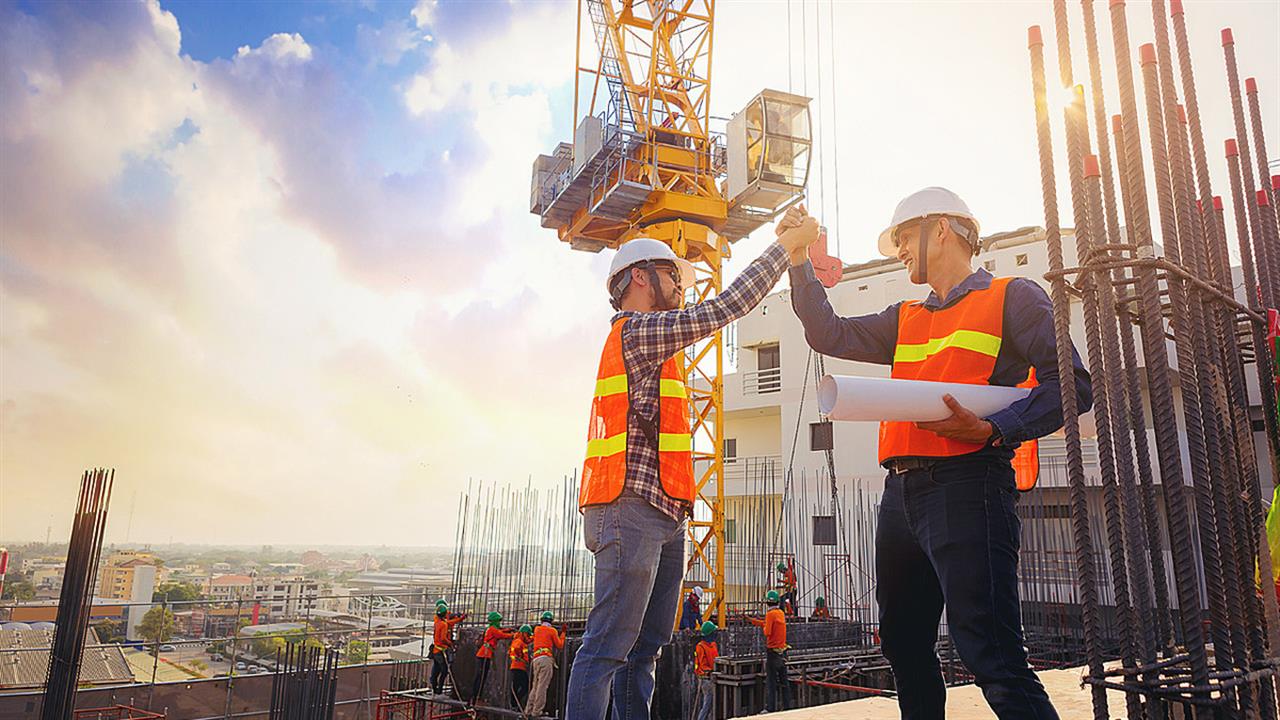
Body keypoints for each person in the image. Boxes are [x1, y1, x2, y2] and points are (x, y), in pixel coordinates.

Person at [784, 187, 1090, 719]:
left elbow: (1072, 384)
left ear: (941, 230)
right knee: (903, 644)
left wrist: (994, 428)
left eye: (904, 238)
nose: (899, 251)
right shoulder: (905, 317)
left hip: (970, 485)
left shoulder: (1013, 297)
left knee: (990, 652)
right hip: (900, 495)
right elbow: (825, 332)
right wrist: (797, 262)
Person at [566, 217, 821, 720]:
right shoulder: (635, 333)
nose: (682, 286)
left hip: (665, 512)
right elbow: (724, 309)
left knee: (645, 649)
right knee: (606, 648)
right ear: (640, 277)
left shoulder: (659, 350)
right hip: (628, 507)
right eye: (673, 276)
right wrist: (783, 248)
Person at [747, 590, 791, 712]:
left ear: (767, 602)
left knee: (771, 682)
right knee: (784, 682)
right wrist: (753, 621)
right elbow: (767, 624)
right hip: (782, 652)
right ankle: (787, 707)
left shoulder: (770, 614)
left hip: (772, 653)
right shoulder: (780, 613)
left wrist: (764, 625)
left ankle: (770, 708)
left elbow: (767, 632)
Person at [527, 611, 566, 717]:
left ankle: (528, 710)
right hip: (545, 659)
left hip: (536, 659)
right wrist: (563, 634)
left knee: (535, 686)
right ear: (551, 621)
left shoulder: (537, 629)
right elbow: (560, 645)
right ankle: (536, 712)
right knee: (542, 686)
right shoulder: (552, 630)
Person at [471, 611, 515, 704]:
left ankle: (475, 698)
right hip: (485, 655)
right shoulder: (492, 630)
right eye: (498, 621)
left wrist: (507, 629)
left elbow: (500, 631)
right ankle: (476, 698)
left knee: (480, 678)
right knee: (481, 678)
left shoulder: (490, 629)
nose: (499, 623)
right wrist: (514, 635)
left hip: (484, 654)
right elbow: (502, 635)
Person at [430, 603, 466, 695]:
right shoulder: (443, 624)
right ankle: (439, 690)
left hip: (436, 650)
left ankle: (435, 687)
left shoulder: (438, 622)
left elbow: (450, 622)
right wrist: (450, 643)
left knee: (436, 669)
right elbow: (443, 638)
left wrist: (460, 619)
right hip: (440, 651)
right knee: (444, 670)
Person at [692, 621, 719, 720]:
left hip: (714, 677)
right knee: (707, 704)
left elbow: (716, 659)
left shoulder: (713, 645)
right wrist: (710, 671)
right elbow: (702, 665)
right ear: (710, 633)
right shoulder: (701, 646)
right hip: (706, 679)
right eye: (714, 631)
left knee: (714, 704)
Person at [508, 624, 534, 711]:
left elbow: (529, 640)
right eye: (527, 634)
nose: (528, 637)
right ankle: (515, 704)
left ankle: (514, 704)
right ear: (523, 633)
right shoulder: (518, 641)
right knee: (524, 686)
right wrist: (519, 658)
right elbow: (513, 651)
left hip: (519, 667)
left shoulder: (521, 641)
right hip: (518, 667)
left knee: (518, 686)